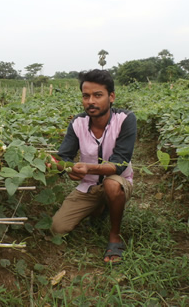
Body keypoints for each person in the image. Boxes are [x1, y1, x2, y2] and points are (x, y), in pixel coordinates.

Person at [51, 69, 137, 263]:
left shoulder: (125, 119)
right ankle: (100, 207)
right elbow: (64, 155)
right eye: (86, 96)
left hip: (118, 181)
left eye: (98, 95)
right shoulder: (78, 123)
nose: (91, 101)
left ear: (111, 97)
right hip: (88, 186)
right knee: (58, 228)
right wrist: (67, 168)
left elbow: (119, 164)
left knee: (112, 185)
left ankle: (115, 236)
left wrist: (88, 168)